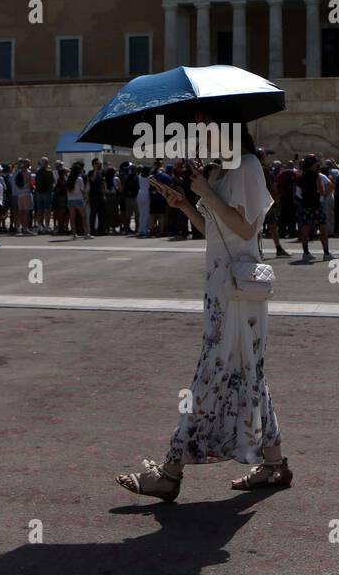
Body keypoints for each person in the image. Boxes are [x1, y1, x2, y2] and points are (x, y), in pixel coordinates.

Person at [118, 119, 290, 501]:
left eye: (206, 130)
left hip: (237, 292)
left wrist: (207, 193)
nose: (200, 138)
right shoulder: (222, 170)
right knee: (249, 373)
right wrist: (184, 203)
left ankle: (170, 471)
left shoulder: (246, 166)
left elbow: (246, 230)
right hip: (221, 288)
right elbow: (216, 230)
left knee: (210, 377)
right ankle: (275, 464)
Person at [295, 153, 332, 262]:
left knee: (305, 229)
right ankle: (326, 253)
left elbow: (298, 193)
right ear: (313, 164)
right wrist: (325, 194)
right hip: (316, 205)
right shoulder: (317, 176)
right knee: (323, 229)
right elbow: (322, 190)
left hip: (306, 205)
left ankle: (306, 253)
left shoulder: (301, 177)